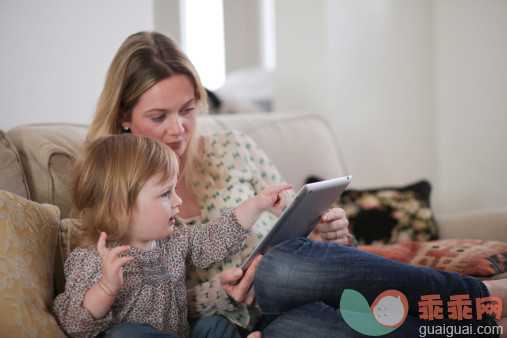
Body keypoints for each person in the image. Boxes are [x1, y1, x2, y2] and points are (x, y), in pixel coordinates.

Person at [86, 31, 506, 337]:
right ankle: (484, 327)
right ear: (124, 116)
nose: (178, 130)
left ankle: (478, 298)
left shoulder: (231, 147)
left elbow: (294, 218)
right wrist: (223, 294)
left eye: (188, 110)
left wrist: (329, 233)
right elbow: (130, 305)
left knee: (281, 265)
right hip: (248, 325)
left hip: (299, 280)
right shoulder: (110, 189)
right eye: (159, 117)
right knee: (314, 320)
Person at [52, 133, 292, 337]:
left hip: (180, 332)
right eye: (165, 193)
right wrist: (106, 287)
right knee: (124, 335)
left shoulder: (173, 240)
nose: (177, 201)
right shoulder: (93, 258)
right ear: (118, 208)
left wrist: (256, 205)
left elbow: (215, 238)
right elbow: (75, 325)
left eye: (174, 190)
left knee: (214, 325)